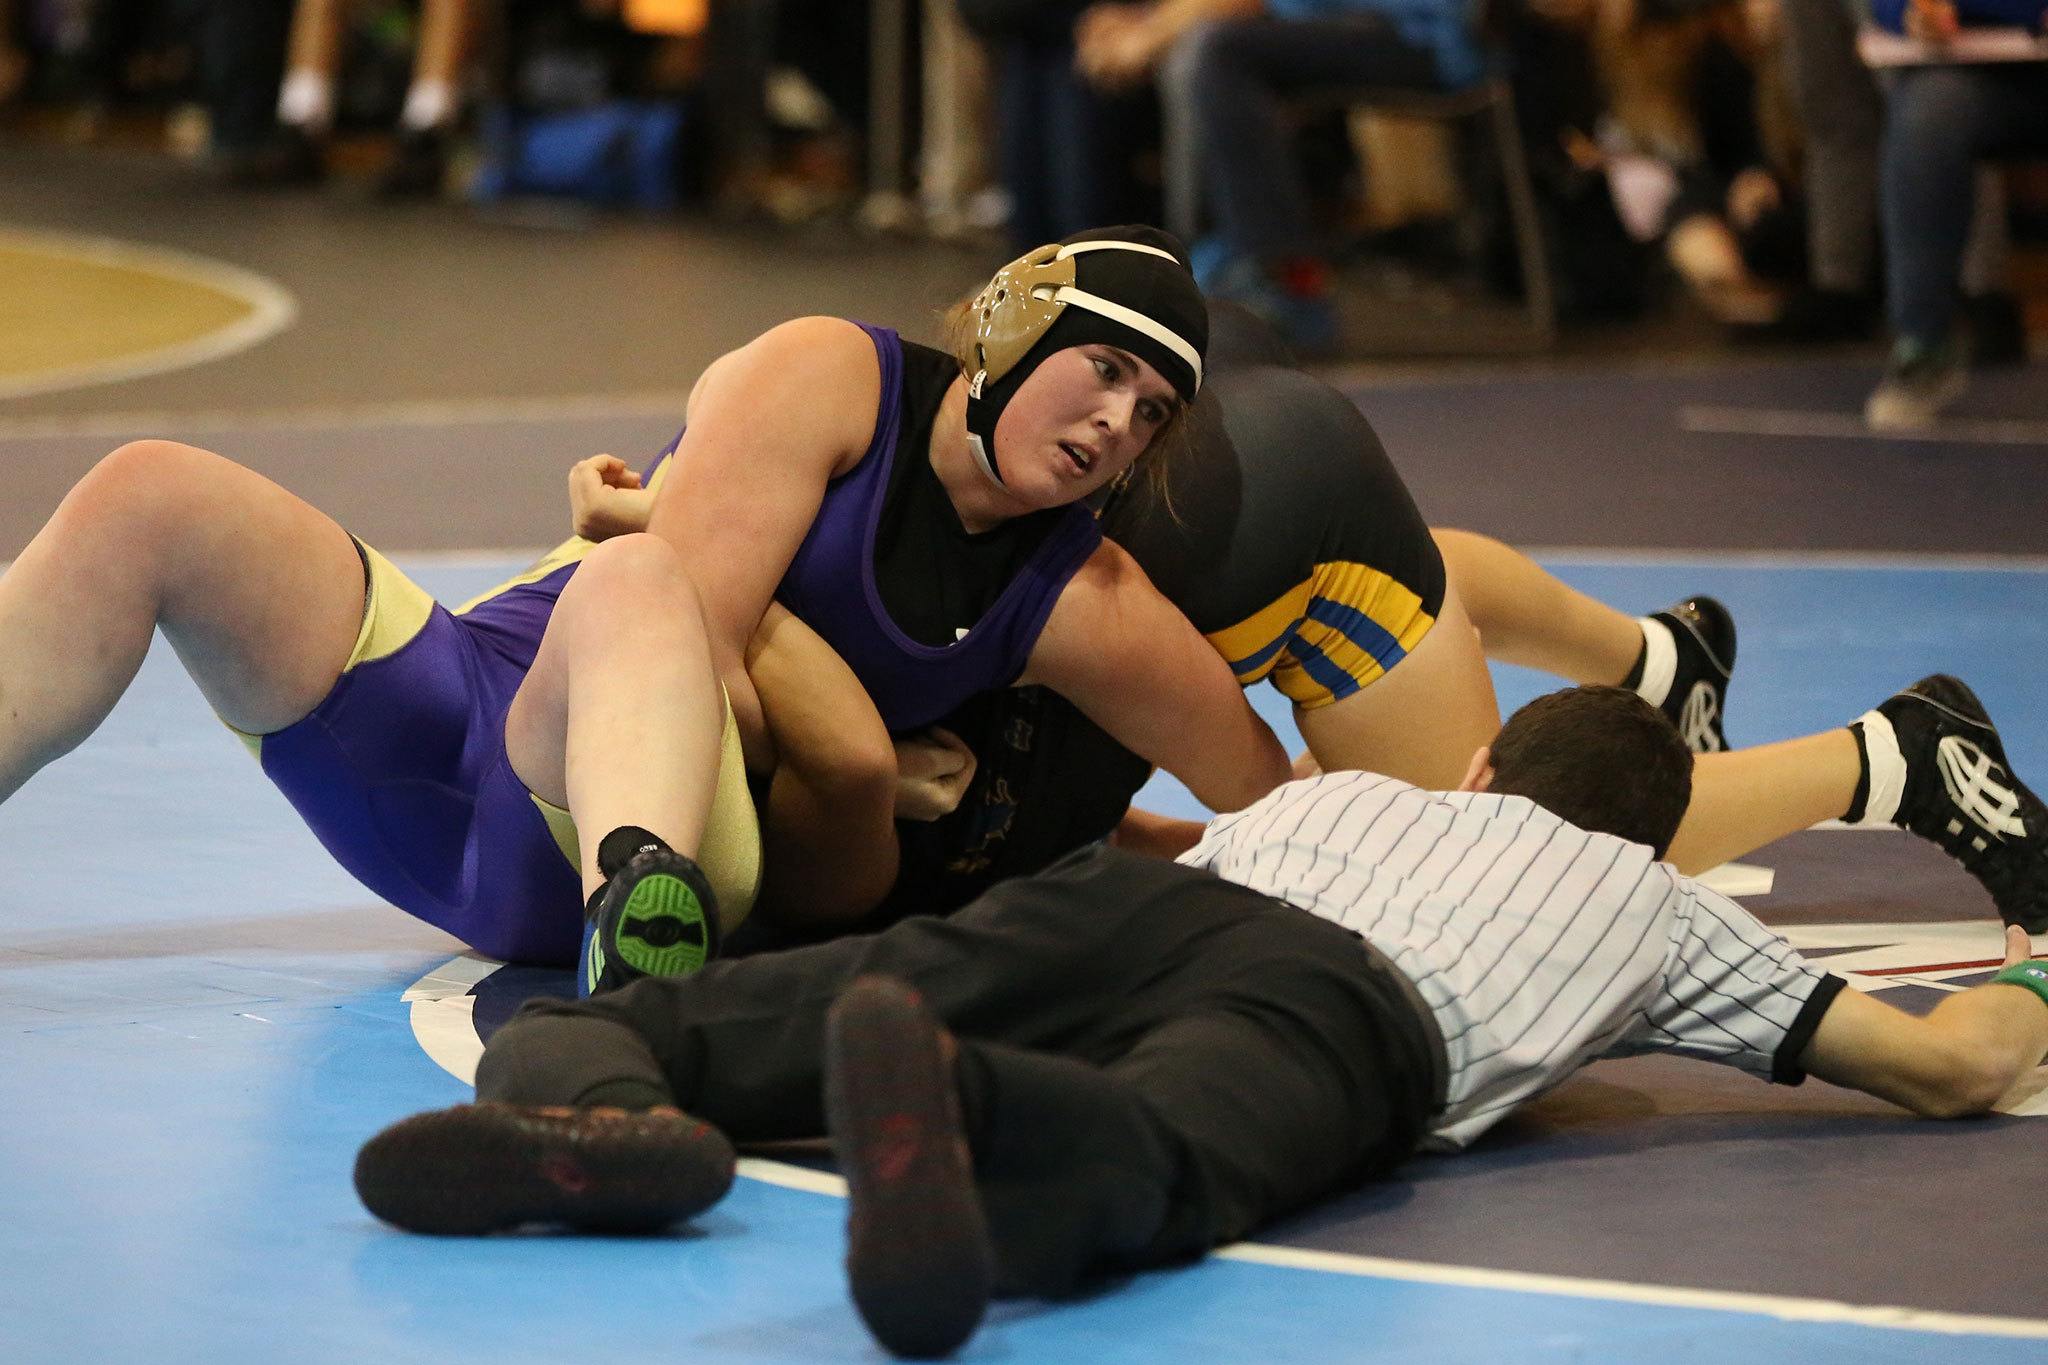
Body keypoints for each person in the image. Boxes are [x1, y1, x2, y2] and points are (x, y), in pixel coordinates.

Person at [353, 683, 2048, 1360]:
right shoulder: (1657, 910)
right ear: (1651, 837)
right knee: (1173, 1146)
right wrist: (2036, 957)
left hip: (1159, 899)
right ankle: (967, 1110)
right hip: (1350, 1017)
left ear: (1480, 773)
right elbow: (1959, 1065)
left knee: (702, 1011)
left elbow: (1150, 844)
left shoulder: (1352, 793)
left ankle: (606, 1103)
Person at [0, 226, 1286, 992]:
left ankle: (639, 950)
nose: (1115, 421)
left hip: (641, 831)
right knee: (148, 491)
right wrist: (865, 753)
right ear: (1014, 328)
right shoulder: (831, 377)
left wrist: (1391, 783)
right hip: (464, 703)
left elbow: (1267, 796)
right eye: (1103, 370)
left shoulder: (1081, 597)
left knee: (636, 577)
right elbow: (714, 653)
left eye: (1150, 415)